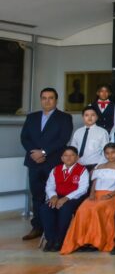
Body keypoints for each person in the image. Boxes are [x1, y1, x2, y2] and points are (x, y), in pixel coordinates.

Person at [20, 87, 73, 241]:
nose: (47, 100)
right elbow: (24, 138)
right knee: (36, 195)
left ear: (56, 100)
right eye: (44, 98)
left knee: (53, 195)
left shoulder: (64, 117)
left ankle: (52, 228)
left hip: (53, 162)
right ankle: (37, 227)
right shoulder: (32, 117)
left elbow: (63, 139)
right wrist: (34, 153)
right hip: (34, 162)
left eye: (50, 98)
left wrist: (43, 153)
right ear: (41, 99)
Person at [60, 143, 115, 254]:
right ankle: (82, 240)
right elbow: (94, 182)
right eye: (107, 153)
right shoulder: (100, 166)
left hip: (112, 196)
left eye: (113, 153)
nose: (110, 155)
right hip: (96, 194)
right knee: (82, 210)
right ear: (104, 154)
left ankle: (95, 241)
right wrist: (91, 194)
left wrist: (110, 195)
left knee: (96, 209)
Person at [40, 146, 89, 252]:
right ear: (62, 158)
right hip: (57, 196)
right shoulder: (55, 169)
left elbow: (83, 189)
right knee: (45, 208)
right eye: (66, 155)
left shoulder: (82, 170)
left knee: (65, 209)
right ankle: (50, 239)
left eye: (72, 155)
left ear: (77, 157)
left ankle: (60, 240)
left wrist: (66, 198)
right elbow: (49, 186)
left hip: (74, 198)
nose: (68, 158)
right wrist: (53, 196)